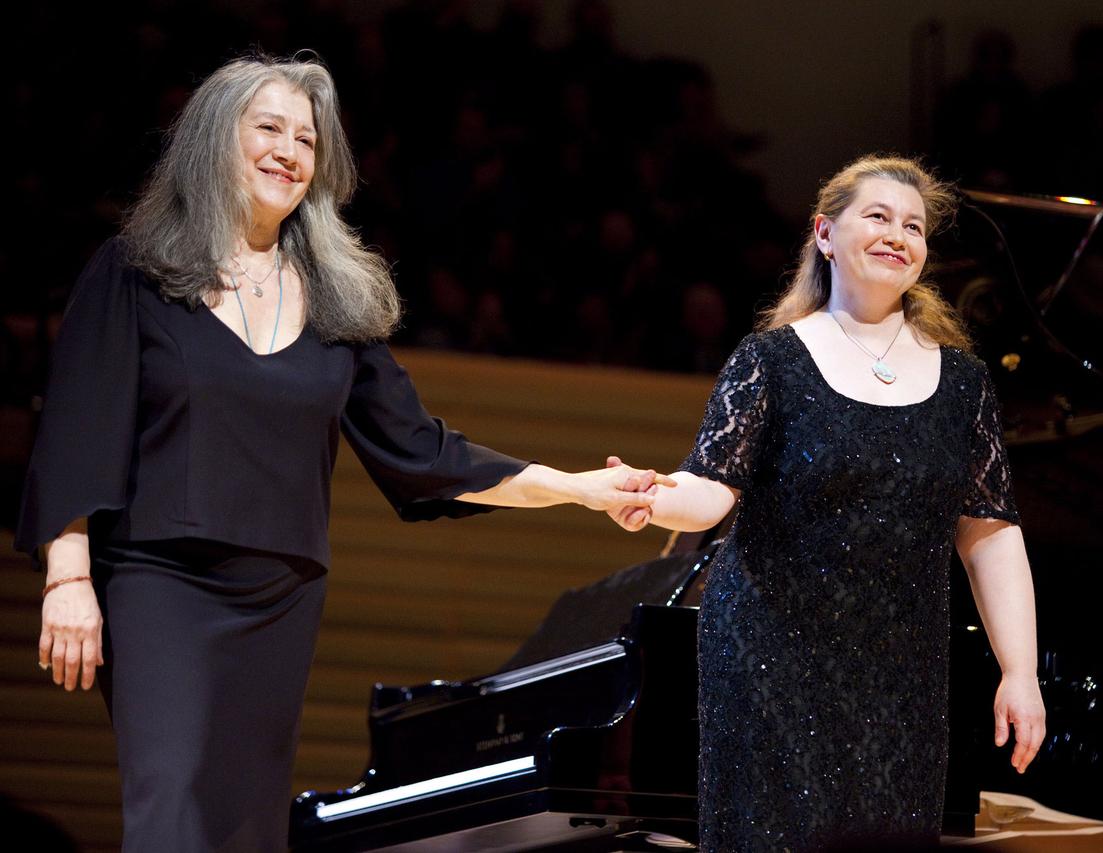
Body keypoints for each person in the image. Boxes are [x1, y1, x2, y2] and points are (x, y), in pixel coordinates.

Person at [15, 54, 669, 852]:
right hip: (162, 581)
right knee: (175, 804)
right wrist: (69, 573)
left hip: (282, 597)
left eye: (307, 139)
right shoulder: (134, 272)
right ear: (216, 138)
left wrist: (582, 489)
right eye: (269, 128)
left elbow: (427, 453)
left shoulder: (333, 302)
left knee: (248, 826)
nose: (289, 150)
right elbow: (80, 427)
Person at [609, 155, 1046, 850]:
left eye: (914, 226)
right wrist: (652, 496)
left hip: (904, 669)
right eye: (876, 216)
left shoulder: (964, 383)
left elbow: (989, 532)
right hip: (770, 656)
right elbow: (710, 491)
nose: (897, 234)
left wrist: (1019, 671)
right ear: (824, 233)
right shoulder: (772, 360)